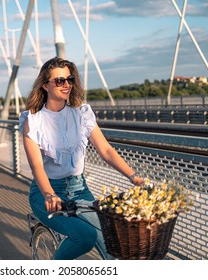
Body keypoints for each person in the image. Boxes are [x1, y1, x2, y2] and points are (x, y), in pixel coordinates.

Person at [19, 56, 144, 260]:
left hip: (80, 190)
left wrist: (134, 177)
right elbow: (37, 167)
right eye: (59, 81)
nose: (66, 84)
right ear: (45, 85)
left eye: (69, 79)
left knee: (114, 244)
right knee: (84, 236)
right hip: (47, 193)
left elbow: (106, 150)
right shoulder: (33, 122)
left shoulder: (82, 114)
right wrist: (50, 195)